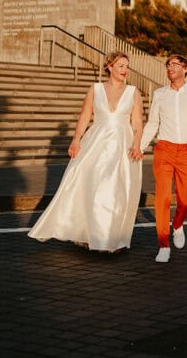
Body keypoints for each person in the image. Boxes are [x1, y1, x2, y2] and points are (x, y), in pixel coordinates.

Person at [28, 51, 144, 252]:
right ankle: (89, 233)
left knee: (115, 191)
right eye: (120, 66)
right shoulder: (95, 89)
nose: (125, 70)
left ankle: (111, 239)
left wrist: (136, 144)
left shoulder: (133, 91)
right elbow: (84, 117)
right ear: (109, 67)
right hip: (96, 142)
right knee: (92, 187)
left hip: (121, 144)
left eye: (127, 66)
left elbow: (137, 121)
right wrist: (76, 140)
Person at [141, 54, 187, 263]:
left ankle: (178, 224)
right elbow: (153, 123)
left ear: (186, 68)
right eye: (168, 65)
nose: (170, 68)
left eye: (175, 64)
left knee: (186, 199)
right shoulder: (160, 94)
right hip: (164, 149)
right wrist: (140, 147)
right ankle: (163, 244)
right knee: (162, 199)